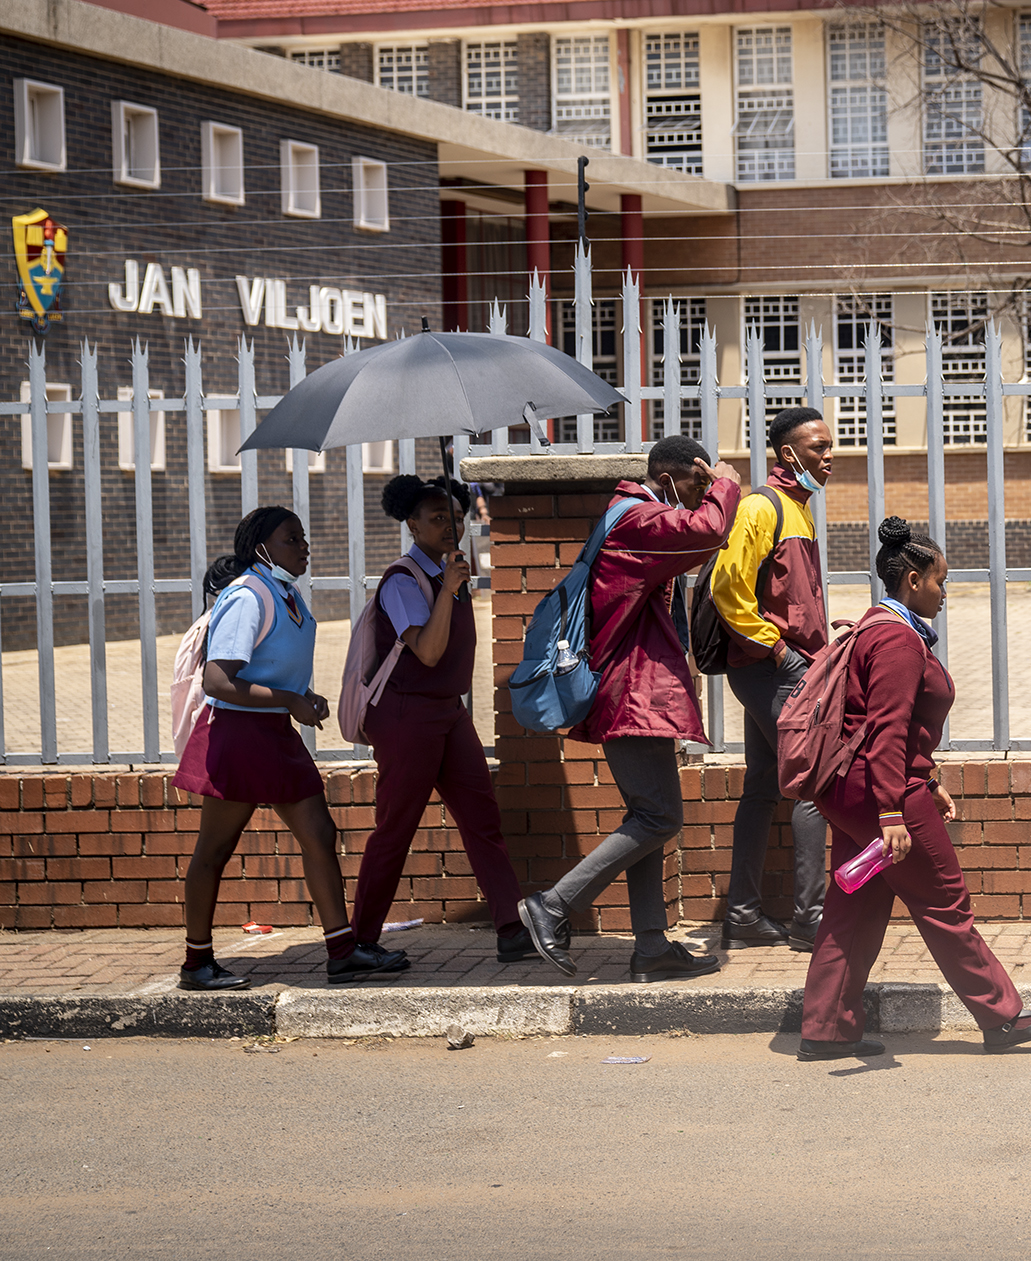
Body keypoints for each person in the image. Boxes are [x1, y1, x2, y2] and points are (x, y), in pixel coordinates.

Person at [797, 518, 1031, 1059]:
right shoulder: (897, 638)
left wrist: (928, 779)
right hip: (880, 794)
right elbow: (887, 728)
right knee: (945, 901)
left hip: (856, 791)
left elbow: (893, 728)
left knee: (857, 904)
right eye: (940, 581)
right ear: (913, 579)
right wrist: (894, 811)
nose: (945, 593)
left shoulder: (877, 625)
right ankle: (1002, 1018)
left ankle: (826, 1030)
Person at [513, 435, 741, 982]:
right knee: (659, 817)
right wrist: (728, 482)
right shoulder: (636, 519)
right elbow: (708, 530)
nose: (698, 495)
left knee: (649, 817)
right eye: (695, 484)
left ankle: (652, 947)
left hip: (637, 690)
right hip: (633, 693)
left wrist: (711, 489)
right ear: (669, 477)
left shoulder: (631, 514)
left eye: (706, 486)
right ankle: (553, 905)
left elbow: (699, 541)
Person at [174, 507, 409, 989]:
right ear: (261, 548)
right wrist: (289, 700)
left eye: (303, 537)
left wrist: (300, 699)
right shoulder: (247, 595)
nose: (304, 547)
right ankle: (196, 962)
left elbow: (276, 663)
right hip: (237, 736)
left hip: (275, 733)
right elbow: (218, 680)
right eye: (291, 539)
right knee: (214, 850)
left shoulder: (285, 592)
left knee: (320, 834)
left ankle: (342, 953)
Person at [349, 474, 527, 962]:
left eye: (455, 516)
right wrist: (448, 589)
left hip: (448, 713)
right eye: (436, 518)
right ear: (412, 525)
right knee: (397, 826)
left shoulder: (452, 573)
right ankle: (359, 942)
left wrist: (452, 583)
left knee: (481, 818)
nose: (451, 526)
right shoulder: (403, 581)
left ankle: (512, 928)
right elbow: (427, 652)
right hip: (407, 717)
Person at [707, 405, 834, 950]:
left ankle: (742, 916)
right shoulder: (762, 507)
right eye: (818, 449)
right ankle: (811, 919)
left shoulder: (797, 508)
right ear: (788, 454)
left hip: (781, 668)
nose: (829, 458)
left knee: (762, 788)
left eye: (830, 447)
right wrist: (782, 652)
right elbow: (726, 586)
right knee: (809, 786)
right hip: (772, 671)